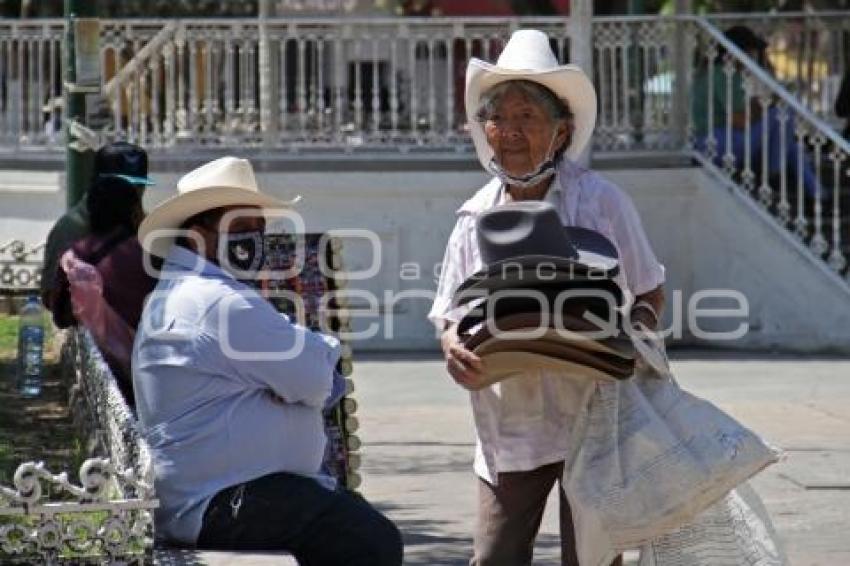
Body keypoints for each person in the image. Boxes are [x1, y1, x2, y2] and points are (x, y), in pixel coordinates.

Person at [429, 30, 665, 566]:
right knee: (495, 557)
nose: (508, 132)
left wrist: (633, 336)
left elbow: (649, 288)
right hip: (512, 423)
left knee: (591, 560)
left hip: (595, 413)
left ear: (561, 133)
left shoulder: (603, 203)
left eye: (526, 118)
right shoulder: (473, 217)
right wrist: (452, 346)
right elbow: (449, 312)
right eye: (497, 119)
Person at [132, 156, 402, 564]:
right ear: (198, 235)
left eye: (258, 231)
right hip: (222, 500)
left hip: (213, 495)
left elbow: (312, 377)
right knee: (369, 539)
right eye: (240, 230)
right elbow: (317, 378)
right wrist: (296, 381)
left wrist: (292, 381)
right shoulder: (217, 303)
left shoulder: (195, 293)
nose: (253, 242)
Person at [52, 175, 156, 402]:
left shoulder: (72, 256)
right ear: (134, 213)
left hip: (104, 375)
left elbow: (60, 318)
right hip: (151, 374)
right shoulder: (150, 255)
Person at [691, 25, 821, 199]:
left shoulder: (718, 74)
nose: (754, 58)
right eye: (751, 53)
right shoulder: (723, 74)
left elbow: (746, 110)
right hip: (717, 143)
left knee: (791, 146)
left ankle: (819, 195)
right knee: (782, 112)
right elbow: (740, 121)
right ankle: (774, 174)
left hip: (724, 140)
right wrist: (769, 104)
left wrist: (763, 102)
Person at [40, 141, 155, 310]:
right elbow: (51, 296)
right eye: (124, 186)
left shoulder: (148, 227)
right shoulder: (71, 228)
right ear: (99, 183)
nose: (134, 193)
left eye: (139, 186)